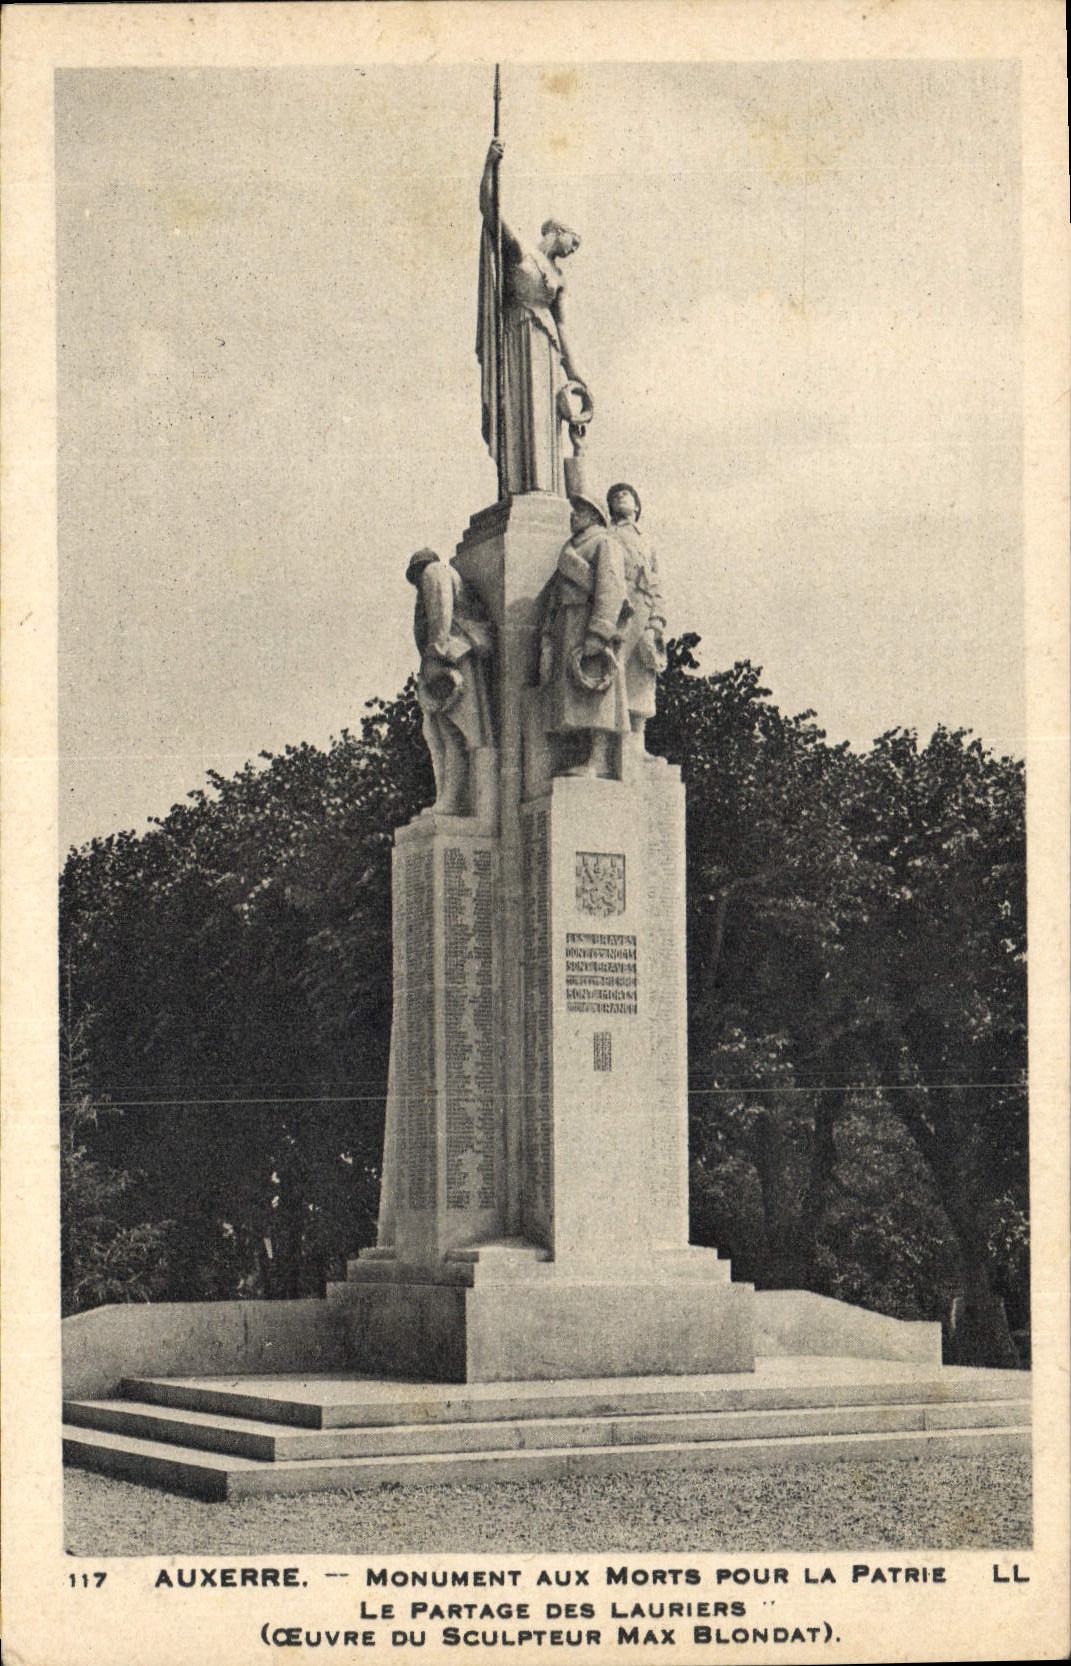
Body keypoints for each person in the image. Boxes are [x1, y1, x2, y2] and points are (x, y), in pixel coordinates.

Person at [478, 138, 591, 496]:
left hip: (547, 350)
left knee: (544, 419)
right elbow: (490, 210)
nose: (572, 251)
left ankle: (544, 489)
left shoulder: (559, 280)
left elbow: (564, 327)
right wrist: (490, 166)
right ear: (555, 232)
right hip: (516, 336)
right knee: (519, 413)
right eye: (571, 242)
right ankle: (519, 488)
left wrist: (576, 374)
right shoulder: (521, 254)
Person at [539, 496, 630, 777]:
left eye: (579, 511)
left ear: (594, 516)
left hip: (588, 624)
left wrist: (599, 633)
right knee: (575, 698)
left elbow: (611, 588)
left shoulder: (605, 543)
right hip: (568, 623)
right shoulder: (571, 548)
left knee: (597, 695)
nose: (573, 516)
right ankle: (585, 756)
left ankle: (599, 759)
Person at [406, 550, 495, 815]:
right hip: (450, 657)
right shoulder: (436, 575)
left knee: (454, 731)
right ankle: (447, 799)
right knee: (440, 733)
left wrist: (436, 654)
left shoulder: (434, 572)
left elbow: (441, 611)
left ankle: (452, 801)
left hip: (452, 657)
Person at [607, 483, 668, 758]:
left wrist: (656, 622)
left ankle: (638, 745)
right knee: (613, 674)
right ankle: (612, 748)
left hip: (643, 608)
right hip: (618, 609)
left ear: (637, 506)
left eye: (627, 494)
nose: (621, 497)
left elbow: (657, 584)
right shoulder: (608, 535)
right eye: (616, 496)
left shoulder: (648, 541)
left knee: (641, 678)